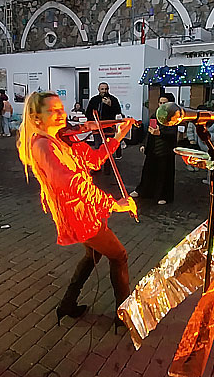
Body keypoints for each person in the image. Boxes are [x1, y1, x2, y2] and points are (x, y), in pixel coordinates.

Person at [17, 91, 137, 327]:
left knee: (93, 254)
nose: (61, 115)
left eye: (61, 109)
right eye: (53, 111)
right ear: (36, 117)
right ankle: (123, 314)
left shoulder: (62, 139)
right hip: (79, 216)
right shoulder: (43, 146)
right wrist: (114, 204)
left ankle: (67, 305)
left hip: (86, 211)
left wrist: (118, 136)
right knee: (119, 255)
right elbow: (72, 184)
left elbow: (93, 160)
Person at [131, 93, 178, 205]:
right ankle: (143, 191)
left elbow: (172, 133)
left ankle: (163, 196)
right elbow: (150, 131)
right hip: (153, 149)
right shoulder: (154, 115)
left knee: (164, 174)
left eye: (164, 103)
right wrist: (144, 144)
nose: (162, 105)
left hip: (166, 150)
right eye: (160, 103)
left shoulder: (174, 117)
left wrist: (160, 133)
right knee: (148, 172)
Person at [85, 82, 123, 174]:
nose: (104, 91)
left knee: (108, 148)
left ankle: (107, 169)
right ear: (98, 90)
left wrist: (110, 105)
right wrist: (92, 121)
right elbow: (88, 113)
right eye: (102, 89)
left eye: (106, 89)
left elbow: (118, 112)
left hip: (109, 128)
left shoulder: (113, 99)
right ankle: (96, 167)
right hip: (97, 128)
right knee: (98, 147)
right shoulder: (94, 100)